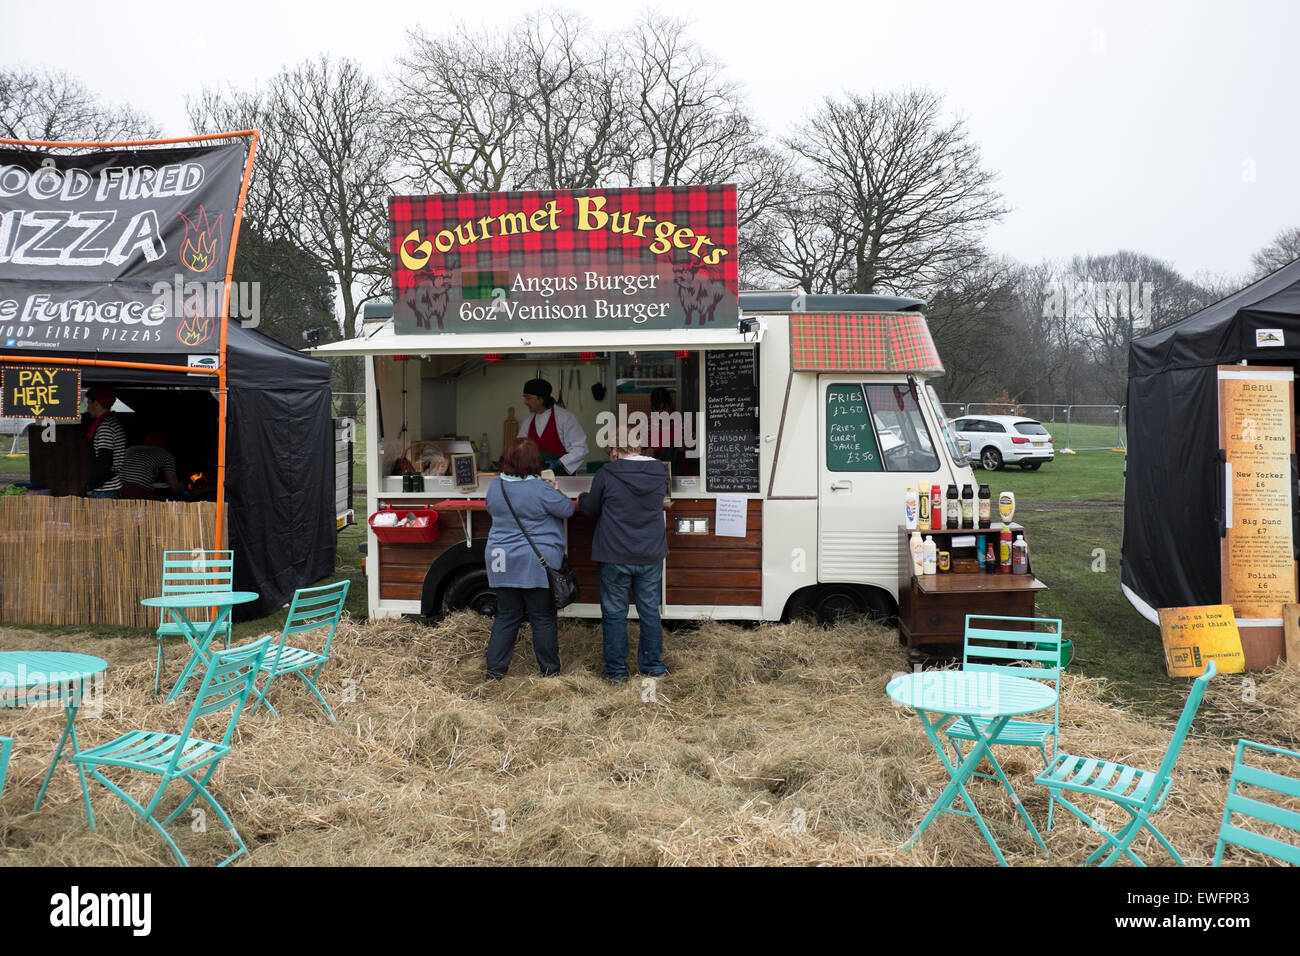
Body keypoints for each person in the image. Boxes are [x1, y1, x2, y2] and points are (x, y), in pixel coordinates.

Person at [578, 431, 670, 682]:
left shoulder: (607, 474)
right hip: (650, 552)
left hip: (615, 553)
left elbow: (590, 509)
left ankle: (617, 672)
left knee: (615, 613)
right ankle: (652, 666)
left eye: (610, 452)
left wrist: (582, 497)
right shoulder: (661, 471)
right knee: (650, 611)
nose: (610, 456)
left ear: (616, 450)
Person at [483, 437, 576, 680]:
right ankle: (549, 672)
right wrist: (556, 490)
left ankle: (495, 673)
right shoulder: (540, 488)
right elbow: (567, 509)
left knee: (506, 616)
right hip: (536, 564)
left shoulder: (495, 487)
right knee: (542, 618)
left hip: (501, 560)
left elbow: (492, 509)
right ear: (534, 462)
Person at [519, 377, 588, 476]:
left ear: (541, 399)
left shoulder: (565, 418)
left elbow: (581, 448)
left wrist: (559, 463)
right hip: (534, 479)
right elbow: (520, 448)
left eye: (528, 398)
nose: (525, 402)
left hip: (561, 479)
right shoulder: (528, 421)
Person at [84, 386, 125, 499]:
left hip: (104, 491)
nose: (88, 407)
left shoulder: (105, 427)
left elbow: (105, 463)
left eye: (89, 403)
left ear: (96, 403)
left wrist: (91, 486)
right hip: (108, 489)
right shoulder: (112, 422)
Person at [118, 433, 184, 500]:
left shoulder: (131, 448)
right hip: (135, 491)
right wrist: (181, 487)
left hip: (115, 488)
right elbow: (174, 488)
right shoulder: (166, 455)